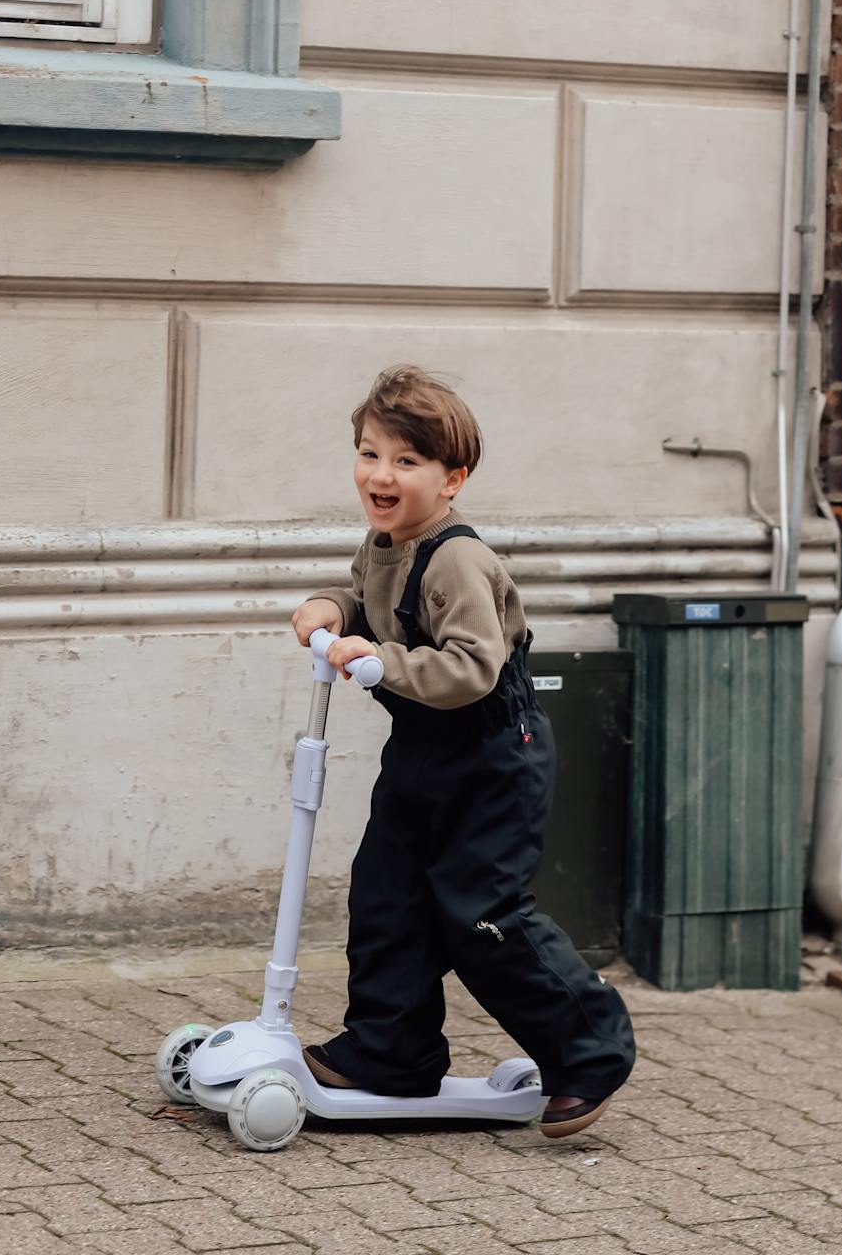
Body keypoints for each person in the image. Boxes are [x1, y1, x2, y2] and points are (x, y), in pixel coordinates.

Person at [290, 363, 636, 1139]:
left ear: (452, 480)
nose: (381, 475)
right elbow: (366, 602)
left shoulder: (457, 560)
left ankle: (590, 1051)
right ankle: (391, 1051)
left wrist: (383, 661)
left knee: (479, 914)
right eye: (369, 454)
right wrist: (331, 608)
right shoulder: (383, 542)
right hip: (421, 750)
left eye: (406, 461)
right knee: (386, 896)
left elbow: (472, 668)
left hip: (492, 755)